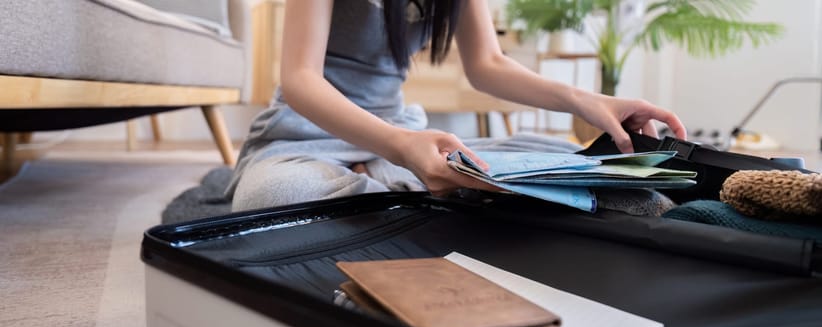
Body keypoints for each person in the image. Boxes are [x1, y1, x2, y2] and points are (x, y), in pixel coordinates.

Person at [226, 0, 687, 212]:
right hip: (311, 132)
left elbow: (487, 63)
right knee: (273, 197)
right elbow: (300, 79)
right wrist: (400, 147)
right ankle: (431, 197)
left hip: (398, 130)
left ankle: (402, 194)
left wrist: (585, 100)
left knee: (566, 160)